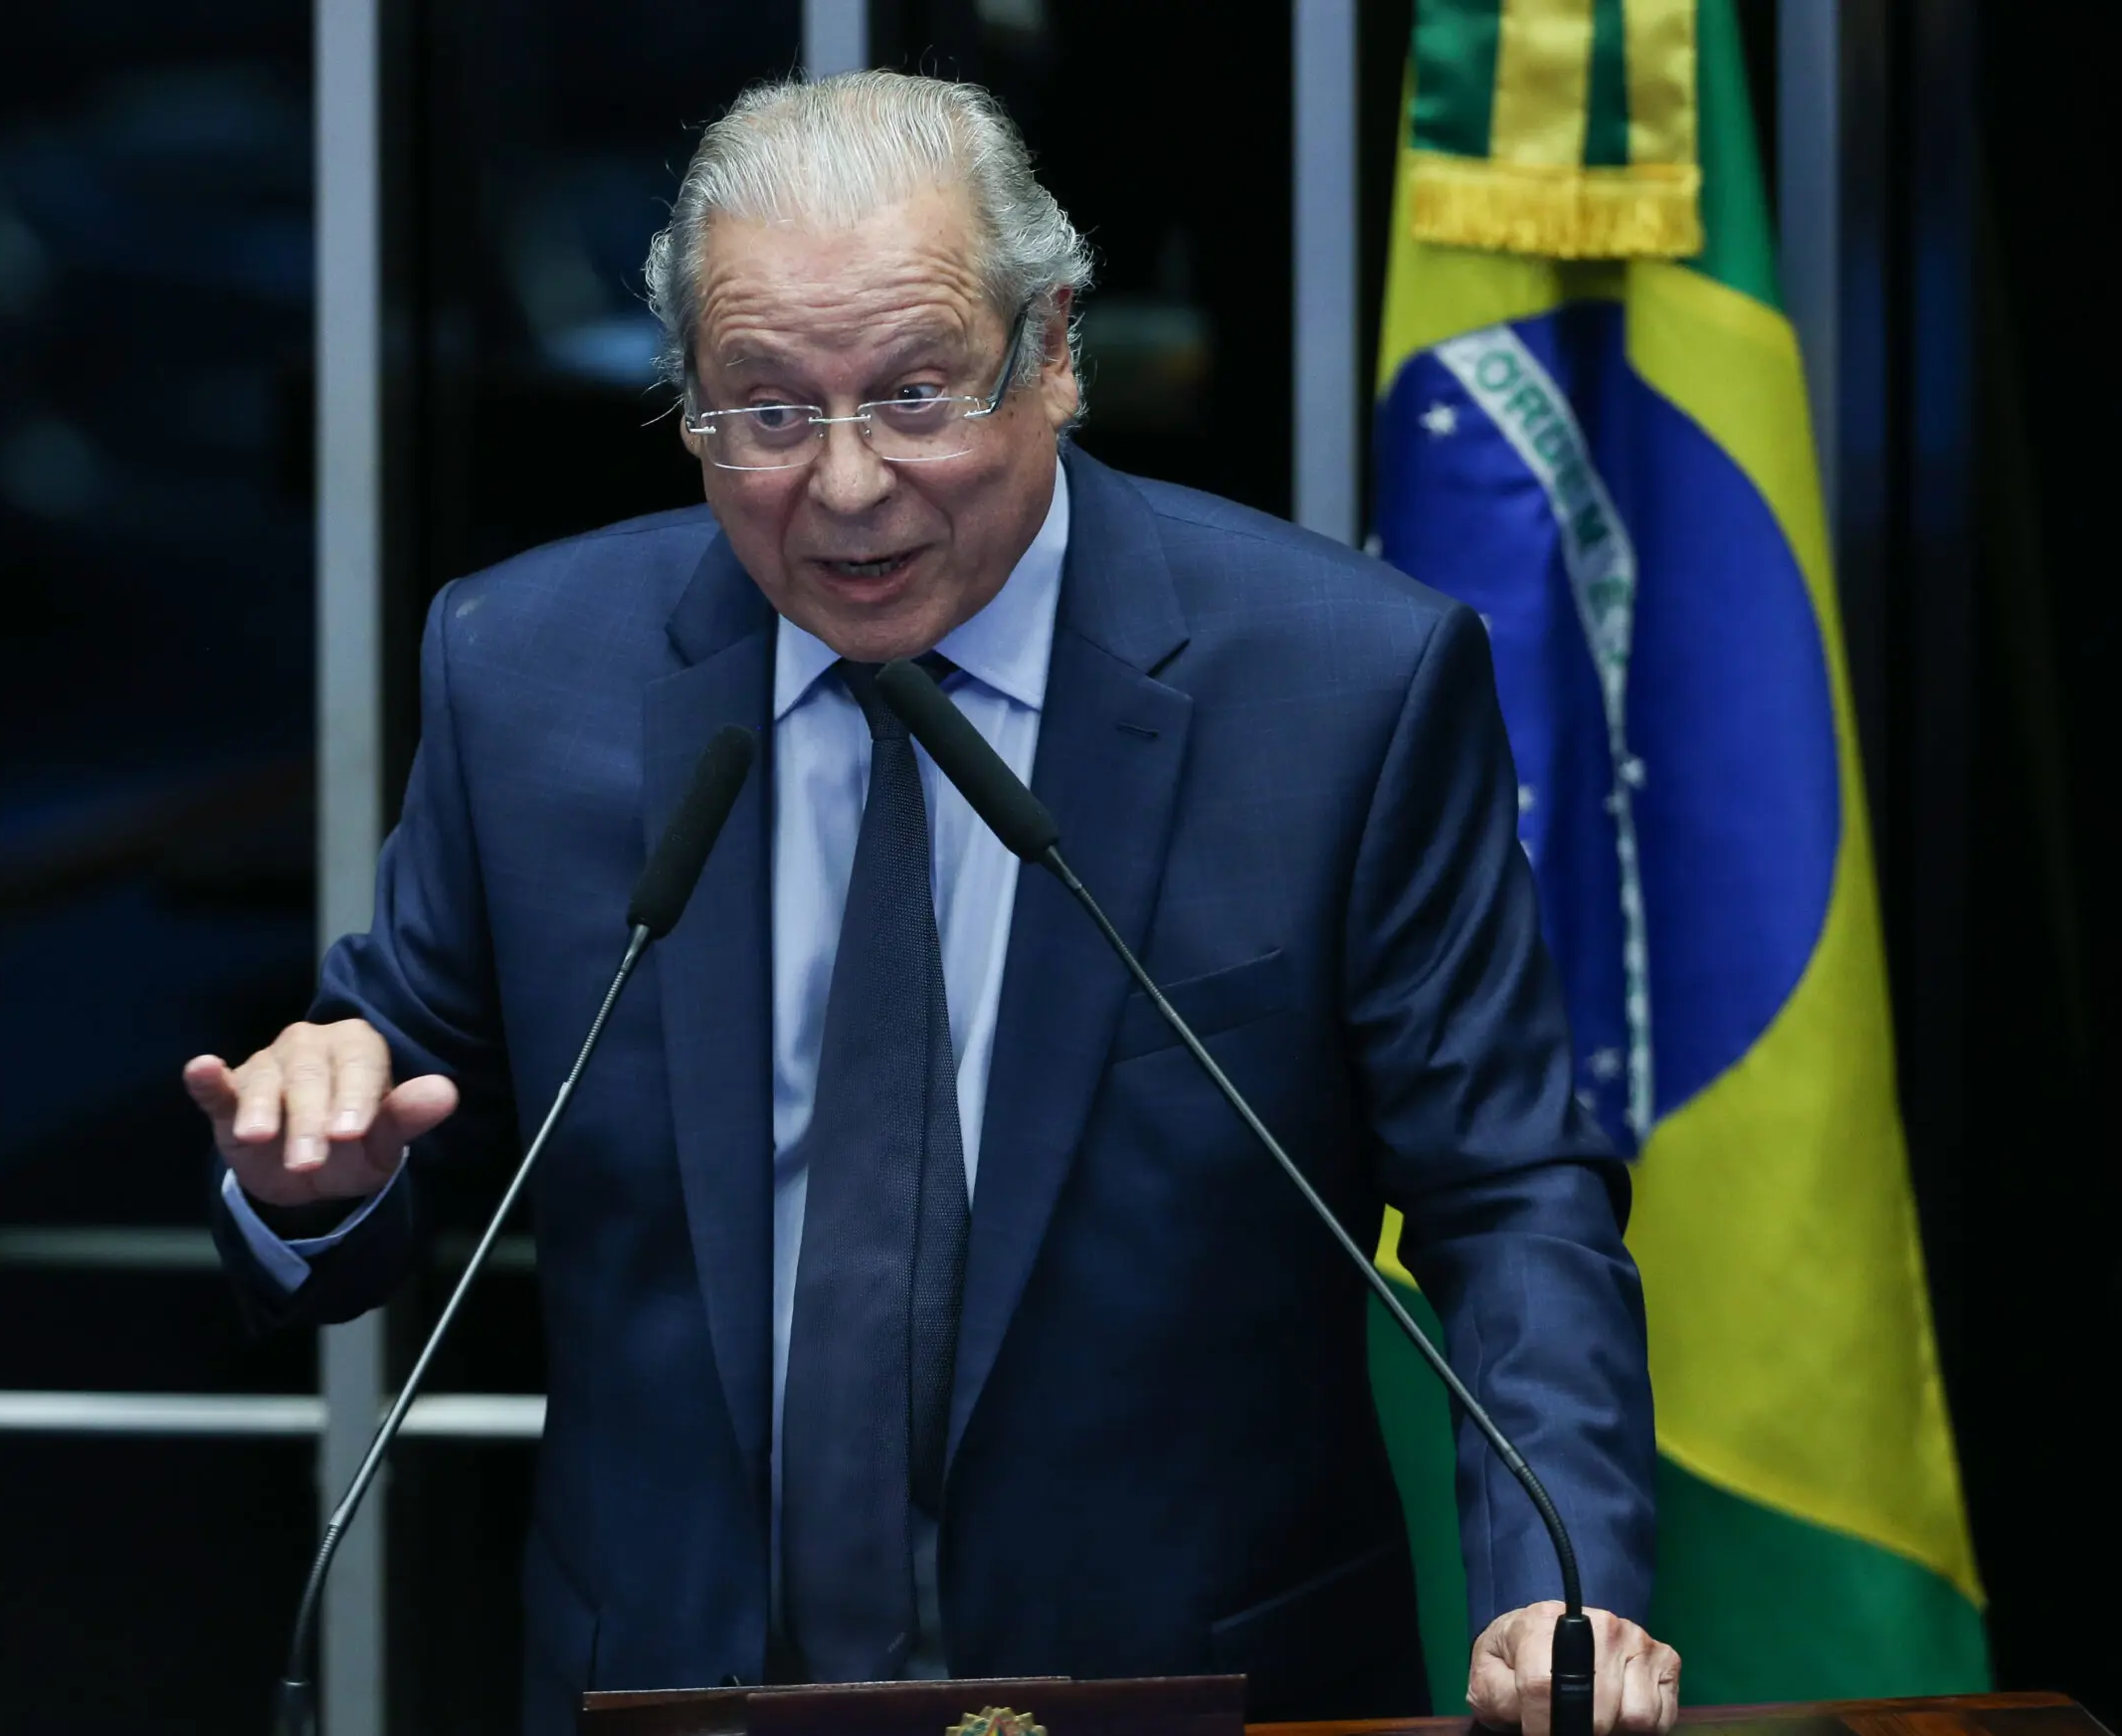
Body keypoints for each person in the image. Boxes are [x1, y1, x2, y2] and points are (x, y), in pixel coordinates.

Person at [186, 70, 1681, 1736]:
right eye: (766, 411)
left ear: (1052, 350)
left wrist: (1565, 1579)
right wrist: (309, 1166)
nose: (844, 487)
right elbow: (379, 1120)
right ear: (685, 401)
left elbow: (1507, 1196)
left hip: (1200, 1686)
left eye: (915, 395)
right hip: (673, 1689)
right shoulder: (527, 674)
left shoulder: (1342, 686)